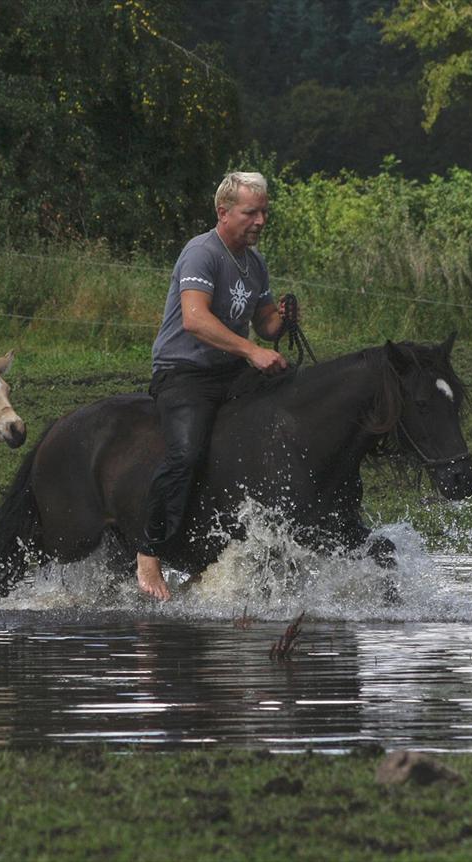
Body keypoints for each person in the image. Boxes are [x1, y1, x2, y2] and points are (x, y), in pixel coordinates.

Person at [137, 171, 292, 601]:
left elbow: (264, 322)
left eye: (264, 212)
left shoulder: (253, 262)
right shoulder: (201, 253)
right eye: (251, 212)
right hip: (184, 371)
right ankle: (149, 553)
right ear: (224, 212)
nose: (260, 220)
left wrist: (281, 320)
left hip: (228, 371)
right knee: (185, 453)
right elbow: (196, 320)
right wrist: (252, 352)